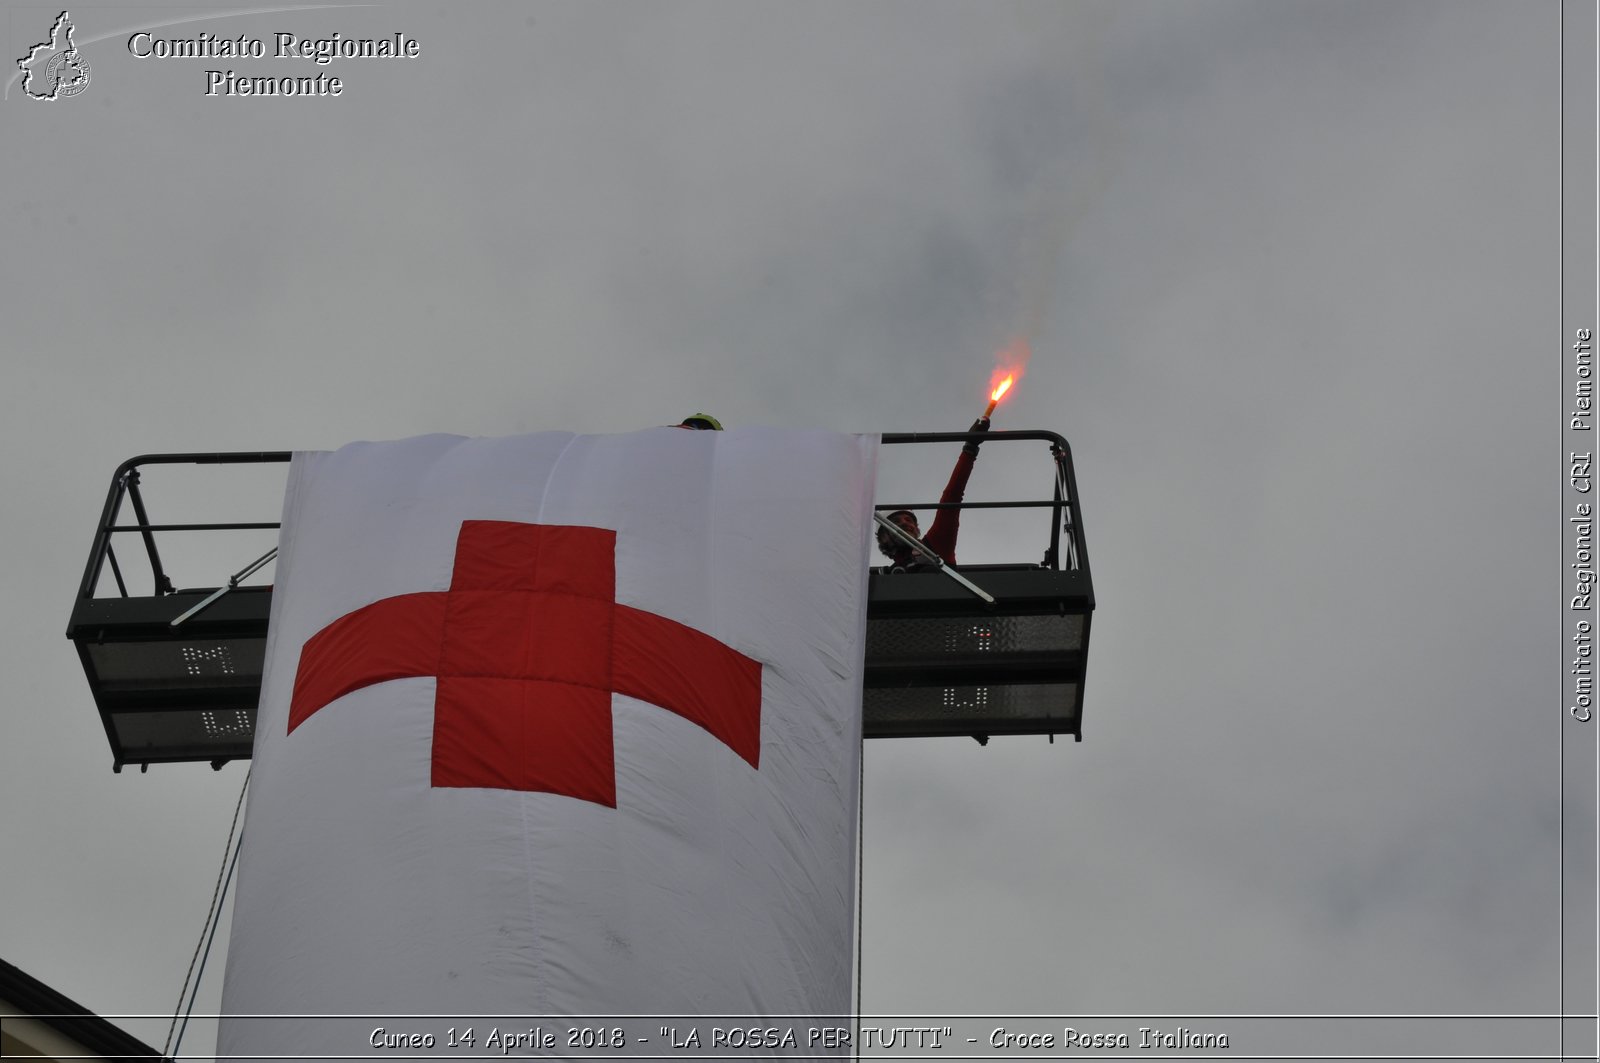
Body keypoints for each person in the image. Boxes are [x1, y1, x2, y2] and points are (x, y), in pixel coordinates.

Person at [877, 418, 989, 571]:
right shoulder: (879, 579)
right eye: (896, 521)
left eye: (909, 520)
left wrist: (970, 447)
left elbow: (952, 497)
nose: (906, 523)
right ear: (882, 537)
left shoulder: (936, 546)